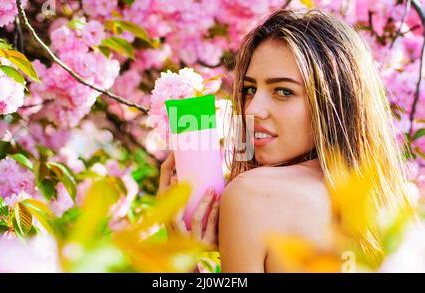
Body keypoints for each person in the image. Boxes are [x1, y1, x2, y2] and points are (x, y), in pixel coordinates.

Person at [158, 9, 412, 272]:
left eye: (283, 91)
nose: (253, 109)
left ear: (332, 101)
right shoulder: (385, 205)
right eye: (249, 90)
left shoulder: (251, 194)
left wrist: (183, 261)